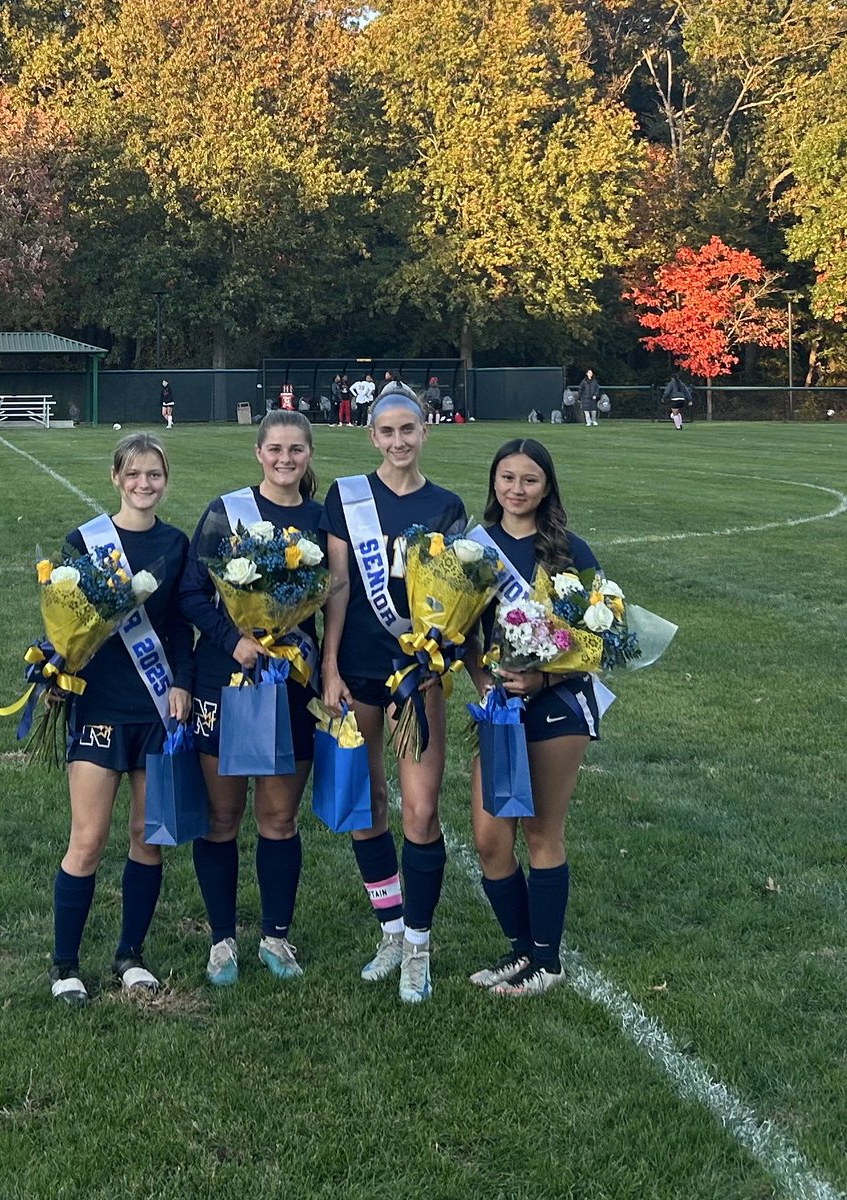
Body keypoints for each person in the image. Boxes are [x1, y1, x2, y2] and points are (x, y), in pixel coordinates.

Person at [321, 391, 467, 1004]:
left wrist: (440, 659)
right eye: (387, 431)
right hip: (354, 668)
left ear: (425, 431)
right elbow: (337, 586)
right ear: (372, 436)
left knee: (420, 810)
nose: (399, 441)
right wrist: (327, 665)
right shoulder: (345, 496)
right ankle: (390, 928)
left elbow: (462, 595)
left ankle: (418, 943)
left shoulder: (446, 505)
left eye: (409, 429)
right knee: (366, 800)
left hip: (417, 674)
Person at [49, 432, 194, 1005]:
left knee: (146, 835)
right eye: (133, 473)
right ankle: (65, 966)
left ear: (165, 479)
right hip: (101, 703)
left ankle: (130, 955)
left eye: (154, 474)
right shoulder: (85, 542)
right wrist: (57, 668)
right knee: (88, 839)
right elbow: (66, 621)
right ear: (115, 477)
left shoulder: (175, 543)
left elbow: (181, 625)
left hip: (157, 708)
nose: (143, 483)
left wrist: (180, 679)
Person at [180, 410, 323, 986]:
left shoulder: (321, 518)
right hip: (225, 678)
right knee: (221, 816)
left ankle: (276, 938)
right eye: (275, 449)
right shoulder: (225, 511)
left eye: (296, 449)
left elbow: (333, 601)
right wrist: (232, 639)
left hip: (289, 686)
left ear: (309, 454)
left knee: (279, 817)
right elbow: (191, 593)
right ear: (258, 453)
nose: (285, 459)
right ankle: (221, 940)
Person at [465, 438, 602, 996]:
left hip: (559, 705)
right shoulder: (473, 550)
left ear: (546, 487)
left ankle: (546, 961)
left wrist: (542, 679)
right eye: (506, 478)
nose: (516, 489)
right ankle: (523, 951)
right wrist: (483, 683)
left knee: (541, 831)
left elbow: (596, 641)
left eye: (528, 479)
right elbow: (458, 632)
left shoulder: (571, 551)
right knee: (490, 839)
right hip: (500, 710)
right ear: (493, 482)